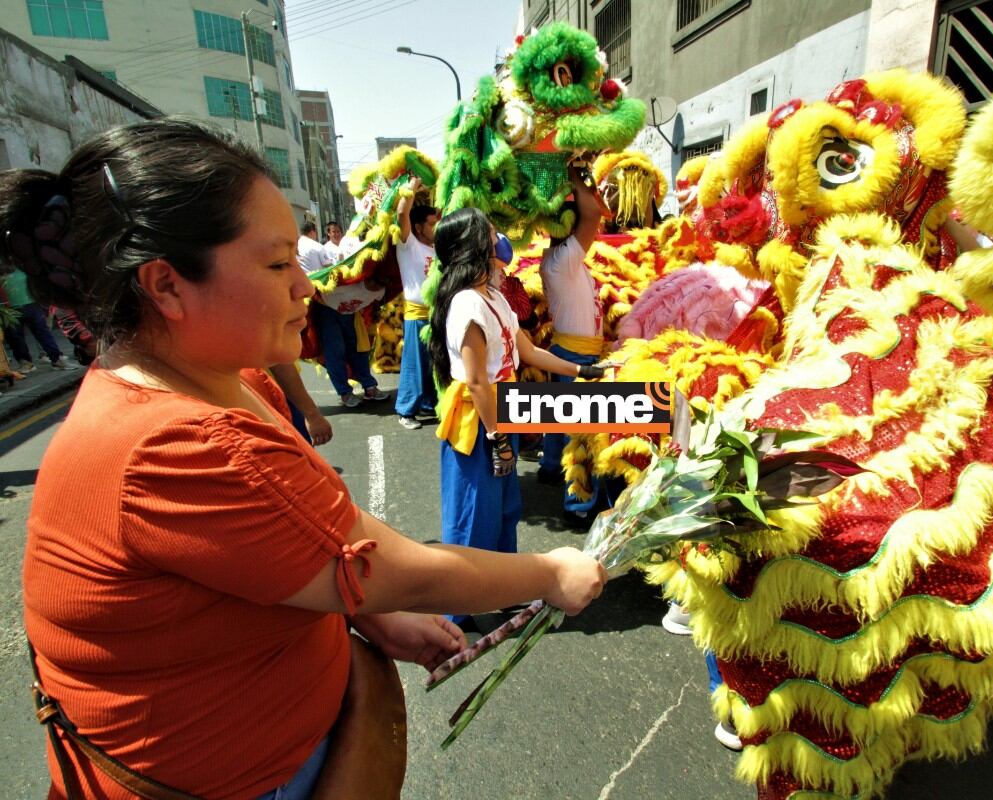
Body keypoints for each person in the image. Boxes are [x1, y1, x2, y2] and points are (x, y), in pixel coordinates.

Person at [5, 117, 606, 799]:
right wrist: (553, 572)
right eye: (275, 263)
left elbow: (296, 548)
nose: (307, 286)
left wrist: (364, 612)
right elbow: (382, 567)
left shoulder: (228, 380)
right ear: (166, 285)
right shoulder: (175, 446)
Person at [429, 207, 606, 626]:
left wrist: (581, 370)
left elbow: (527, 351)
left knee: (505, 511)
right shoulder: (466, 304)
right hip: (478, 423)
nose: (500, 241)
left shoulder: (494, 297)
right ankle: (457, 612)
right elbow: (475, 382)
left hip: (500, 411)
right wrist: (497, 441)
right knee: (471, 518)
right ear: (473, 246)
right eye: (491, 235)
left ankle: (504, 589)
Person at [537, 166, 605, 528]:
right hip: (577, 355)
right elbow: (593, 213)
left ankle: (550, 467)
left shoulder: (555, 259)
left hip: (567, 348)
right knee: (579, 429)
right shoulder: (563, 260)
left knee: (558, 418)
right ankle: (577, 502)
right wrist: (575, 173)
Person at [393, 185, 439, 430]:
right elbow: (402, 215)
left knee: (434, 363)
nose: (435, 227)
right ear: (419, 226)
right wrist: (409, 190)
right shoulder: (407, 243)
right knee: (415, 364)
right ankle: (405, 410)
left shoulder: (435, 247)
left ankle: (428, 404)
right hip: (417, 315)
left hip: (436, 315)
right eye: (432, 224)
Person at [310, 275, 392, 408]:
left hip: (351, 314)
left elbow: (376, 304)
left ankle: (369, 387)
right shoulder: (345, 286)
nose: (379, 286)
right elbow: (317, 290)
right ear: (368, 279)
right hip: (328, 312)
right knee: (335, 352)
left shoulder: (380, 291)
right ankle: (345, 393)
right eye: (377, 282)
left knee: (360, 349)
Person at [1, 268, 71, 370]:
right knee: (16, 338)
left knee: (43, 333)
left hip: (31, 305)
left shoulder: (22, 266)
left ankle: (57, 359)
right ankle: (25, 363)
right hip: (10, 309)